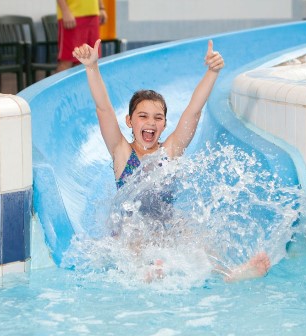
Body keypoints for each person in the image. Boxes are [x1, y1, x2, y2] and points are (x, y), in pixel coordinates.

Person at [73, 39, 271, 282]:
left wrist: (212, 71)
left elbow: (194, 111)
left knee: (196, 236)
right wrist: (91, 68)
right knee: (133, 235)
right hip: (128, 228)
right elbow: (103, 109)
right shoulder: (122, 153)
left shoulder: (170, 151)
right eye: (143, 116)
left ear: (165, 124)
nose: (151, 122)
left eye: (158, 118)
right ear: (129, 121)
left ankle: (229, 275)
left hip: (163, 222)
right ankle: (143, 274)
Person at [56, 0, 108, 72]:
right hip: (73, 14)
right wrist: (65, 11)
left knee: (91, 58)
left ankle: (82, 83)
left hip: (93, 14)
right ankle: (61, 84)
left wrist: (101, 7)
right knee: (67, 61)